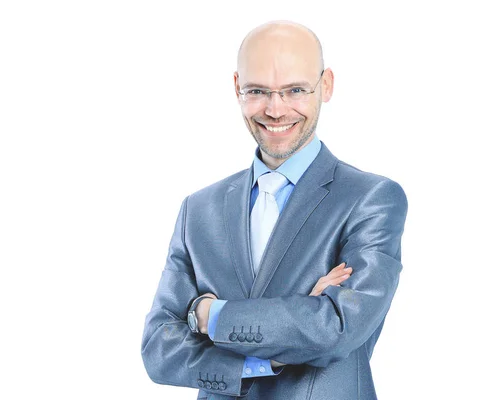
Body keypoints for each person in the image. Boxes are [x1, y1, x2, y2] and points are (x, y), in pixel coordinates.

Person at [141, 20, 408, 400]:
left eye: (295, 90)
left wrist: (207, 316)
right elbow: (158, 348)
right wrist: (272, 354)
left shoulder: (372, 198)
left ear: (326, 85)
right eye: (257, 91)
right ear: (237, 87)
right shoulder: (198, 210)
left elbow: (336, 329)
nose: (275, 109)